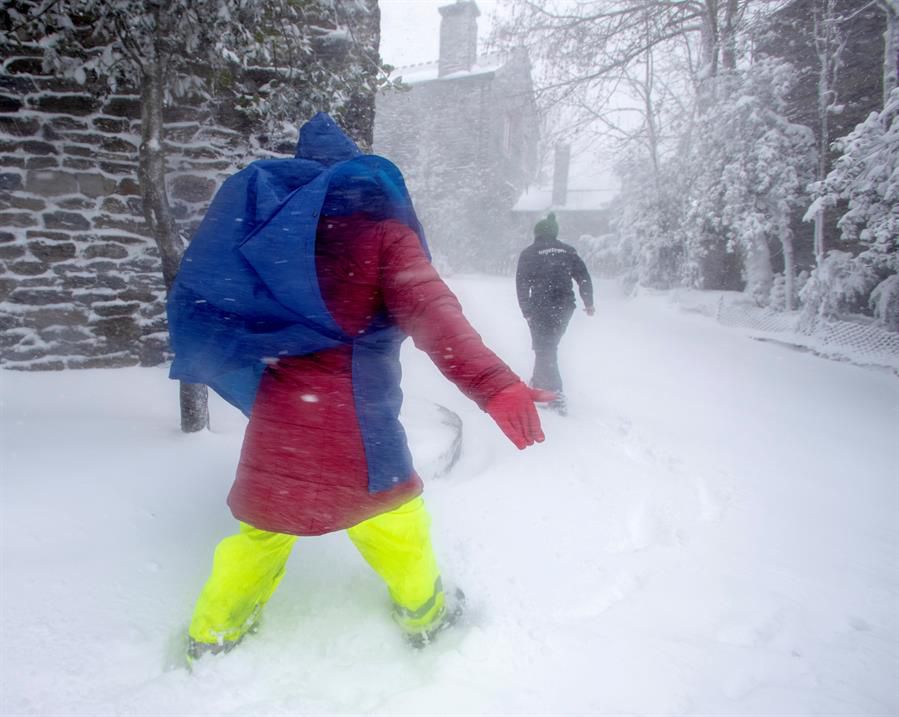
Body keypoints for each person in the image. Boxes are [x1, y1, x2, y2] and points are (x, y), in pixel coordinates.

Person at [167, 113, 552, 662]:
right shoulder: (383, 238)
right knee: (398, 521)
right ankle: (426, 616)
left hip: (282, 414)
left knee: (263, 530)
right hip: (358, 421)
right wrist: (495, 385)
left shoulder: (270, 244)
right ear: (360, 176)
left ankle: (212, 634)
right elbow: (436, 315)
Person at [515, 212, 594, 415]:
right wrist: (589, 302)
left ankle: (556, 395)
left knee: (546, 348)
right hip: (565, 307)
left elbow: (521, 285)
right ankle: (538, 383)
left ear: (537, 233)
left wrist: (527, 311)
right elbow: (583, 277)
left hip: (540, 307)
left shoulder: (529, 253)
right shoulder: (568, 251)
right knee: (547, 346)